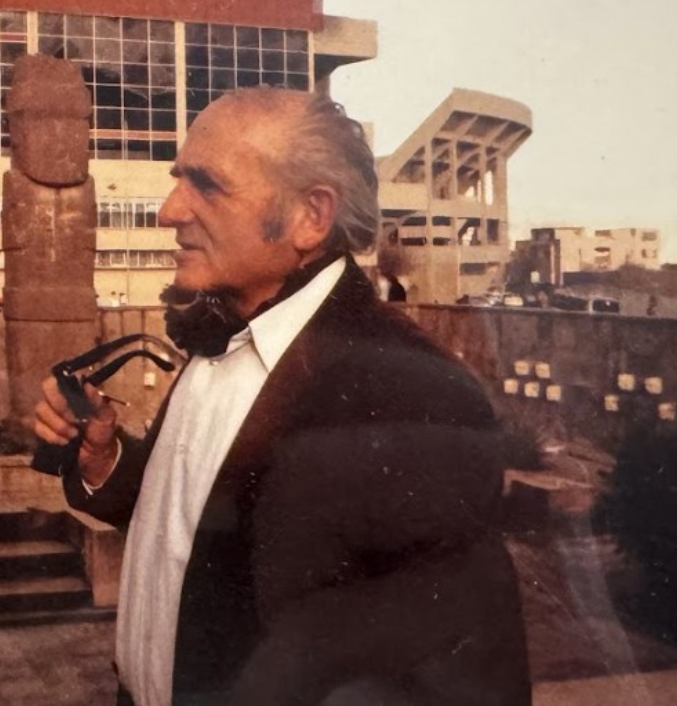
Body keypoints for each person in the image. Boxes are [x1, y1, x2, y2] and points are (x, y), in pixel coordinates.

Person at [33, 88, 529, 706]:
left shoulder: (412, 393)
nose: (168, 210)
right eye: (178, 179)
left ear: (310, 217)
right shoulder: (222, 331)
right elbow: (193, 523)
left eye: (206, 185)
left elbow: (460, 681)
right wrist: (105, 461)